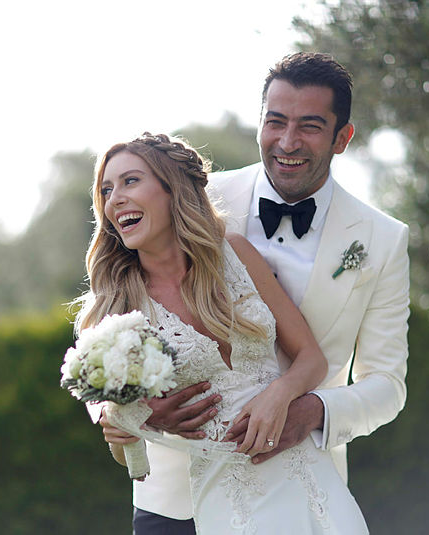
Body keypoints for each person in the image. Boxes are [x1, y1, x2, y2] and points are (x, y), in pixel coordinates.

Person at [97, 52, 410, 533]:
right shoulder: (188, 196)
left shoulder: (382, 240)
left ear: (342, 138)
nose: (288, 141)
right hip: (173, 493)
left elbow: (387, 384)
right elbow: (106, 329)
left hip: (298, 482)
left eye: (309, 126)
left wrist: (312, 410)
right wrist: (121, 410)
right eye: (275, 121)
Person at [77, 131, 369, 533]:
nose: (115, 200)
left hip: (305, 480)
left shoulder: (236, 254)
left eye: (130, 181)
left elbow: (311, 360)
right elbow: (123, 446)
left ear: (172, 189)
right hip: (219, 498)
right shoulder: (117, 308)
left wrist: (280, 394)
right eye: (107, 190)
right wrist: (139, 419)